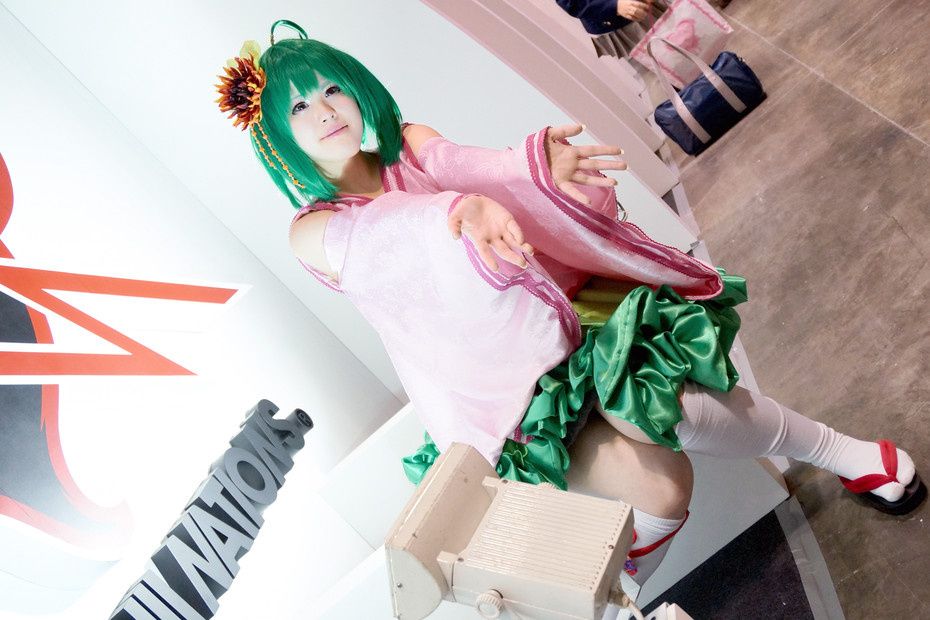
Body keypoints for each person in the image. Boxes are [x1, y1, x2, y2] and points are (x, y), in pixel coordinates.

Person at [216, 20, 925, 586]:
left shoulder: (410, 146)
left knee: (659, 405)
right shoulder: (315, 231)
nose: (323, 112)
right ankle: (621, 600)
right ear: (276, 135)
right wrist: (456, 213)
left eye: (331, 89)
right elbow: (384, 239)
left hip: (572, 324)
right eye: (298, 107)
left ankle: (838, 450)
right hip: (504, 396)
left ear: (358, 89)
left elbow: (468, 166)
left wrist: (531, 170)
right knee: (663, 492)